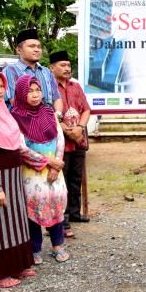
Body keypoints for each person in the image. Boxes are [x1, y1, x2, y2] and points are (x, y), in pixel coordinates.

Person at [0, 72, 38, 292]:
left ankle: (17, 265)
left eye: (1, 86)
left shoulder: (2, 111)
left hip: (12, 178)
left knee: (15, 222)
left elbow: (16, 145)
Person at [11, 75, 69, 264]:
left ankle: (57, 245)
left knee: (56, 203)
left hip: (55, 171)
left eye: (38, 90)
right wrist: (48, 162)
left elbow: (60, 139)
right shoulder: (15, 117)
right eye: (30, 91)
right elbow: (21, 148)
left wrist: (57, 164)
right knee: (33, 207)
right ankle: (34, 248)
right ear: (21, 94)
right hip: (32, 172)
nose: (35, 95)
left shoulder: (49, 112)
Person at [49, 51, 91, 238]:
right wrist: (67, 130)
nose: (67, 68)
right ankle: (62, 219)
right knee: (62, 180)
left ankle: (74, 213)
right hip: (59, 142)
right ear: (52, 68)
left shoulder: (76, 86)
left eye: (68, 65)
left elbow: (86, 110)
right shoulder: (48, 87)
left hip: (79, 140)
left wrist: (80, 128)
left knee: (75, 178)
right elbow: (48, 112)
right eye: (62, 65)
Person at [3, 29, 63, 114]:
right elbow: (14, 101)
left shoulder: (46, 71)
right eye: (32, 46)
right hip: (23, 120)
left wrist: (57, 114)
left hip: (50, 119)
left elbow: (57, 98)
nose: (37, 49)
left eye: (39, 47)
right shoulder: (10, 71)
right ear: (19, 50)